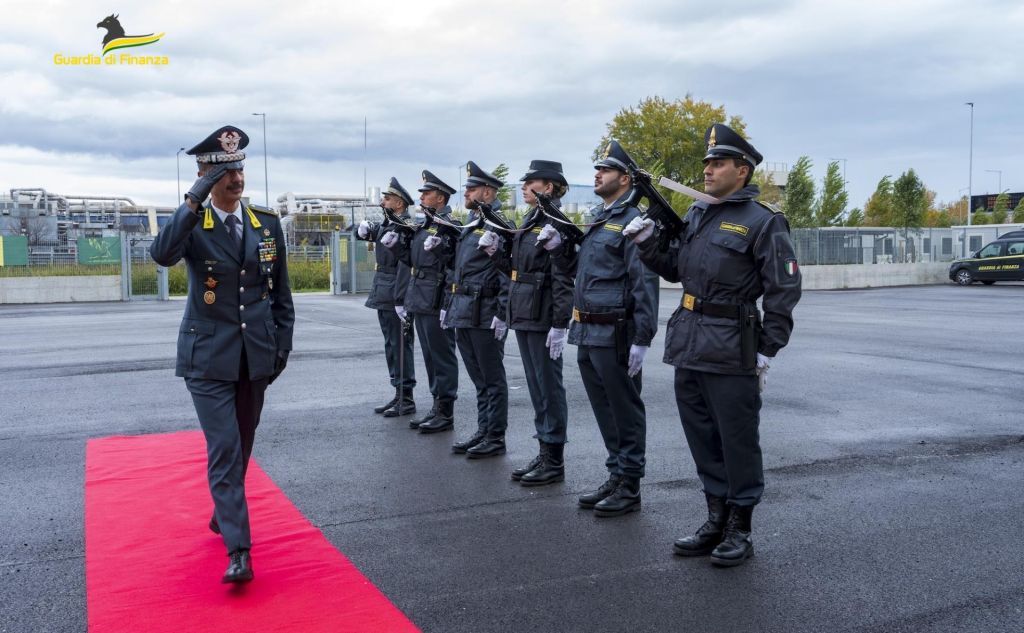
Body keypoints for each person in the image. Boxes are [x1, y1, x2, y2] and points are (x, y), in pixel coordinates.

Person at [623, 123, 801, 566]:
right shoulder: (700, 215)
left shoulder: (763, 221)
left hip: (732, 346)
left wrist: (768, 346)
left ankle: (741, 527)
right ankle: (714, 517)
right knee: (701, 435)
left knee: (737, 439)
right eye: (706, 163)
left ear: (742, 170)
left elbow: (784, 288)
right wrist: (648, 245)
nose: (707, 170)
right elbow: (675, 269)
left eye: (717, 163)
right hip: (690, 342)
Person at [150, 125, 294, 583]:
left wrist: (281, 349)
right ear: (204, 174)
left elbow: (282, 296)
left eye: (239, 167)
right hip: (208, 358)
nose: (235, 177)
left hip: (256, 357)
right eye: (223, 169)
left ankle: (223, 511)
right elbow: (161, 254)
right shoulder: (193, 222)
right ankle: (239, 550)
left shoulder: (265, 223)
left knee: (244, 442)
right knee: (226, 447)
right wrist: (193, 199)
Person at [540, 141, 659, 516]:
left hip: (616, 331)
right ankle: (616, 474)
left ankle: (630, 484)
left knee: (625, 409)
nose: (597, 174)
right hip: (588, 330)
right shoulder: (599, 218)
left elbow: (644, 281)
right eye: (597, 169)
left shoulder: (632, 222)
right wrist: (560, 249)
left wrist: (643, 337)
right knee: (604, 410)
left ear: (625, 179)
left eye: (605, 170)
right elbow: (582, 272)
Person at [480, 160, 572, 486]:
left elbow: (563, 277)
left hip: (543, 314)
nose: (523, 187)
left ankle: (554, 459)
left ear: (548, 187)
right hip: (525, 312)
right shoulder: (532, 219)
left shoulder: (556, 221)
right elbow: (517, 272)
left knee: (548, 388)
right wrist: (496, 254)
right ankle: (545, 449)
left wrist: (561, 323)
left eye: (529, 182)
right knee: (537, 387)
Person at [439, 161, 511, 458]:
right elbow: (458, 271)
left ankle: (495, 436)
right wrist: (448, 305)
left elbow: (508, 271)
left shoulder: (499, 224)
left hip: (486, 310)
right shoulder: (472, 224)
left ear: (488, 191)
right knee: (479, 379)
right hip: (465, 309)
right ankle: (484, 429)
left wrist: (503, 313)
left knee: (492, 378)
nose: (465, 192)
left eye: (471, 188)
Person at [383, 170, 461, 433]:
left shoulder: (449, 226)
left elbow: (452, 267)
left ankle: (445, 411)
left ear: (440, 198)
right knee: (429, 355)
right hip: (420, 296)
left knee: (442, 356)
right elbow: (412, 262)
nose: (423, 197)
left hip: (436, 298)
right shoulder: (424, 226)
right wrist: (396, 247)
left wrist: (447, 304)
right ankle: (436, 406)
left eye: (427, 193)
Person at [356, 178, 417, 418]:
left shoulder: (405, 227)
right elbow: (372, 233)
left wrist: (401, 299)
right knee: (391, 345)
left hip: (394, 293)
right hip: (383, 291)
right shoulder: (389, 224)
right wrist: (361, 230)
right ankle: (398, 392)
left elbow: (405, 265)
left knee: (401, 345)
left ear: (399, 203)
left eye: (387, 198)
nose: (383, 202)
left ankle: (407, 397)